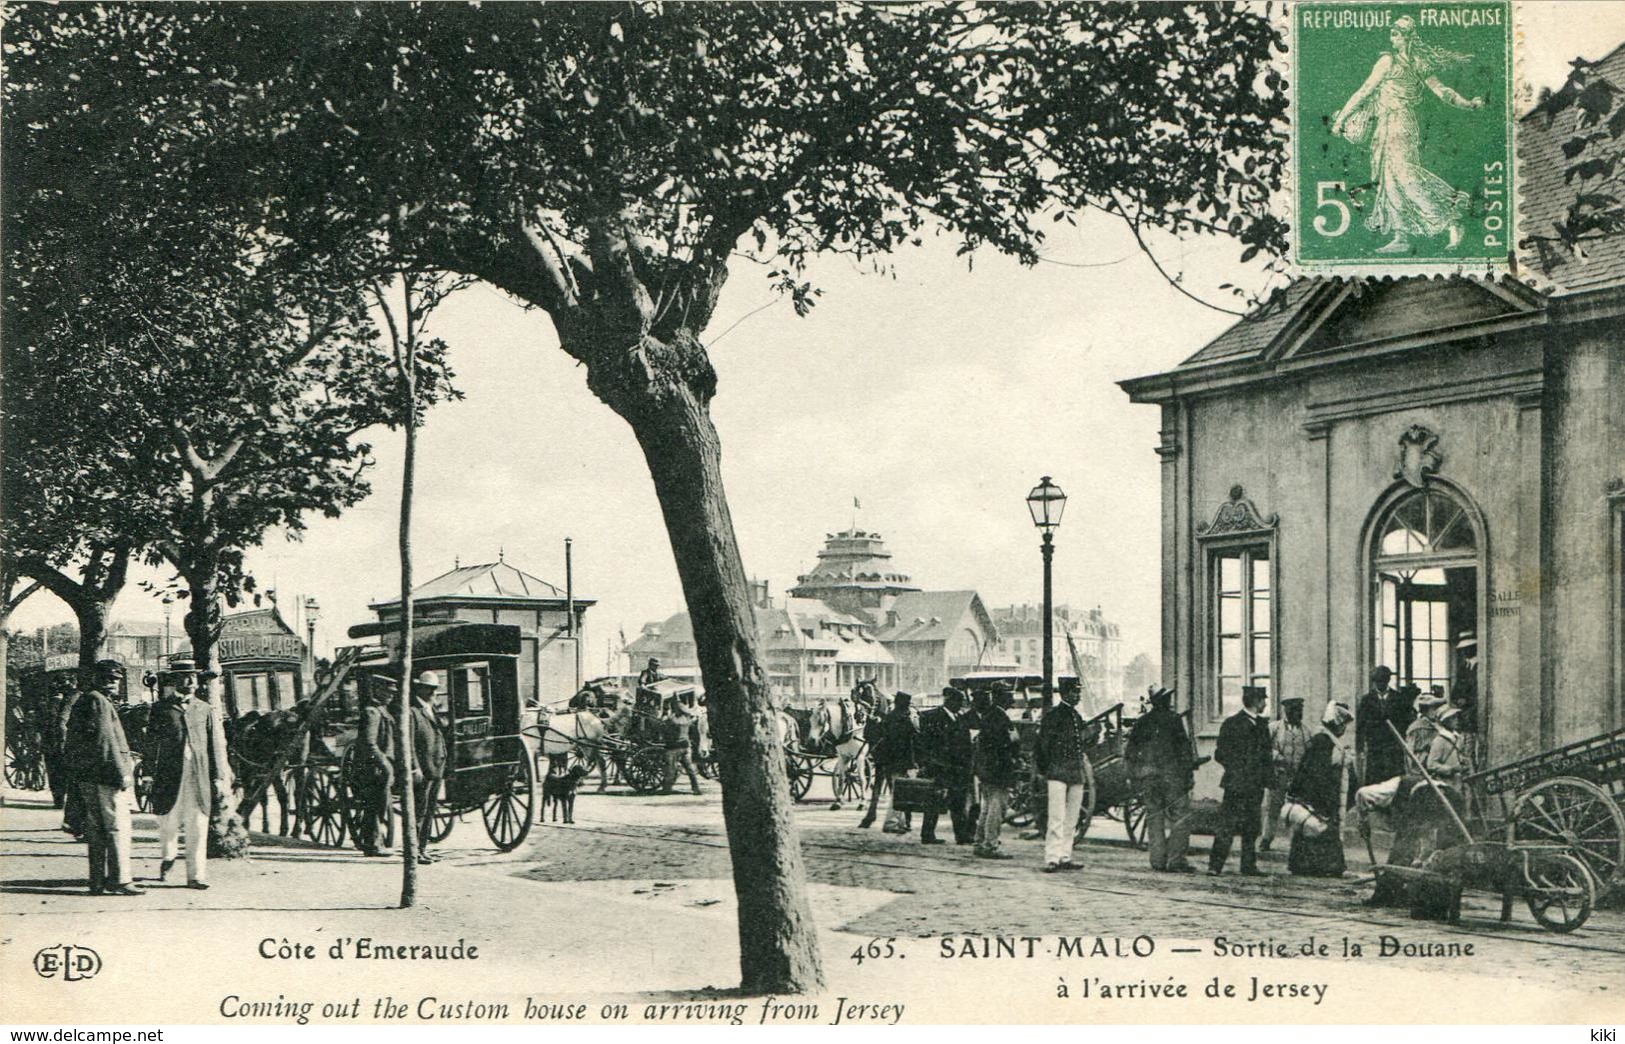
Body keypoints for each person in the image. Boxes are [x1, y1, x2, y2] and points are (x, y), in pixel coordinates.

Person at [1330, 14, 1483, 254]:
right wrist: (1469, 104)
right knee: (1387, 179)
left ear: (1406, 36)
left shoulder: (1393, 62)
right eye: (1392, 32)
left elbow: (1365, 91)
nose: (1392, 37)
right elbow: (1442, 91)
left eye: (1396, 32)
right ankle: (1401, 236)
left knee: (1405, 177)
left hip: (1399, 123)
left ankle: (1452, 220)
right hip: (1387, 124)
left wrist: (1340, 120)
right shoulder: (1407, 62)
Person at [61, 661, 141, 896]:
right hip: (107, 776)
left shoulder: (86, 699)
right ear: (98, 679)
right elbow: (105, 741)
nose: (113, 683)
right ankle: (121, 880)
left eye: (115, 679)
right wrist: (122, 774)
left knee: (96, 831)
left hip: (89, 775)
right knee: (117, 828)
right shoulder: (99, 701)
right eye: (109, 678)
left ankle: (97, 881)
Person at [146, 661, 229, 888]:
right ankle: (168, 857)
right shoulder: (161, 709)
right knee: (168, 822)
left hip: (198, 775)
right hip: (169, 775)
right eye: (185, 677)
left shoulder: (204, 709)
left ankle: (196, 875)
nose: (191, 682)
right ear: (174, 681)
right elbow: (151, 743)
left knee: (198, 824)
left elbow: (214, 745)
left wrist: (218, 777)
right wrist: (148, 774)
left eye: (193, 677)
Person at [1125, 687, 1196, 873]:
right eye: (1168, 698)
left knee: (1154, 817)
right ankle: (1176, 860)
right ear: (1164, 701)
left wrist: (1135, 776)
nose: (1171, 701)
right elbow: (1184, 750)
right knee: (1180, 817)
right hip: (1172, 777)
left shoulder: (1142, 722)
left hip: (1149, 778)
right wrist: (1188, 775)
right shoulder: (1174, 720)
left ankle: (1157, 860)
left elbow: (1131, 752)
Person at [1209, 686, 1273, 877]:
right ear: (1256, 701)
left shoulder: (1262, 725)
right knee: (1227, 826)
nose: (1265, 703)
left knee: (1252, 827)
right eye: (1263, 700)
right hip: (1236, 785)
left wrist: (1268, 780)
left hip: (1255, 786)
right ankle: (1215, 866)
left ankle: (1248, 866)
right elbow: (1220, 754)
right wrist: (1238, 769)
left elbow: (1266, 756)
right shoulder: (1231, 723)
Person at [1287, 701, 1353, 877]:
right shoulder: (1323, 741)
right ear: (1336, 724)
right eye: (1343, 725)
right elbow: (1318, 772)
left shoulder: (1325, 740)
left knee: (1311, 830)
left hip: (1318, 793)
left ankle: (1306, 865)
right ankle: (1329, 866)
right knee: (1319, 828)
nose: (1344, 729)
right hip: (1319, 794)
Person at [1035, 681, 1088, 872]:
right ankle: (1052, 858)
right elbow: (1042, 746)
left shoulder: (1076, 716)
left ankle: (1065, 855)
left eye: (1078, 692)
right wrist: (1044, 770)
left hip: (1075, 773)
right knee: (1056, 817)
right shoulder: (1053, 716)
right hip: (1057, 772)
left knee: (1072, 818)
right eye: (1074, 692)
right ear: (1064, 694)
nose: (1078, 696)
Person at [917, 688, 974, 845]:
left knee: (958, 803)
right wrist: (927, 764)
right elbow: (923, 743)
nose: (961, 706)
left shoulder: (959, 717)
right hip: (939, 767)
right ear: (950, 701)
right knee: (934, 801)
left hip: (958, 768)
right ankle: (927, 835)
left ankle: (961, 836)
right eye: (959, 702)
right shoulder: (931, 717)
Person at [352, 677, 397, 857]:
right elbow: (369, 743)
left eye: (393, 693)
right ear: (377, 690)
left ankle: (370, 842)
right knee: (375, 804)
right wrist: (385, 763)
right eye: (388, 692)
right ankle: (373, 844)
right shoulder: (372, 712)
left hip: (380, 767)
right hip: (373, 768)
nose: (391, 696)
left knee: (379, 803)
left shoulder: (380, 710)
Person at [858, 691, 916, 831]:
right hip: (898, 761)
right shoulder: (902, 719)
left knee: (898, 791)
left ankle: (900, 822)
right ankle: (891, 824)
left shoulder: (890, 717)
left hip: (887, 759)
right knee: (898, 793)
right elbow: (908, 741)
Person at [1260, 696, 1311, 853]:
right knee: (1273, 809)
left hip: (1297, 778)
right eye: (1294, 711)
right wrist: (1277, 756)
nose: (1298, 714)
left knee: (1297, 810)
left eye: (1300, 711)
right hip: (1278, 776)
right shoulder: (1274, 728)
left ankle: (1296, 844)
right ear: (1287, 712)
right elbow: (1263, 748)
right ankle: (1266, 839)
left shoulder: (1305, 731)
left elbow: (1309, 751)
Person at [972, 684, 1017, 859]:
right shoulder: (999, 717)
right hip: (998, 770)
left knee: (987, 807)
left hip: (987, 770)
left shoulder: (990, 715)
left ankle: (980, 842)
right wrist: (1013, 740)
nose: (1012, 700)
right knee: (997, 808)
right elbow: (1004, 744)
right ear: (1000, 697)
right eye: (1009, 696)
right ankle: (990, 845)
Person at [407, 679, 447, 865]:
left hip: (436, 766)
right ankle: (413, 852)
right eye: (429, 688)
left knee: (429, 810)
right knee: (419, 811)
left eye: (435, 689)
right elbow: (410, 744)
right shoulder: (412, 712)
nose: (433, 692)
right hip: (423, 768)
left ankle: (422, 849)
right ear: (420, 689)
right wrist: (415, 767)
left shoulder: (432, 709)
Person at [1356, 666, 1402, 786]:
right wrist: (1360, 748)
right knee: (1374, 779)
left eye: (1384, 681)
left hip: (1393, 747)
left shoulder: (1398, 698)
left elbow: (1403, 723)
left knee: (1393, 780)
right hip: (1374, 747)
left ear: (1388, 680)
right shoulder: (1366, 700)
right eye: (1378, 681)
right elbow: (1360, 725)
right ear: (1374, 682)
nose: (1381, 684)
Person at [661, 697, 702, 795]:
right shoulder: (686, 719)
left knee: (670, 767)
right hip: (686, 746)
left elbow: (664, 727)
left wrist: (665, 716)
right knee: (690, 769)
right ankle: (696, 788)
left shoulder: (673, 719)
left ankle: (667, 788)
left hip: (674, 747)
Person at [1451, 632, 1480, 770]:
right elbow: (1455, 690)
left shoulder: (1480, 667)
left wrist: (1467, 701)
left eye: (1468, 648)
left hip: (1475, 712)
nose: (1464, 651)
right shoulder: (1464, 667)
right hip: (1464, 714)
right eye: (1463, 649)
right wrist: (1458, 699)